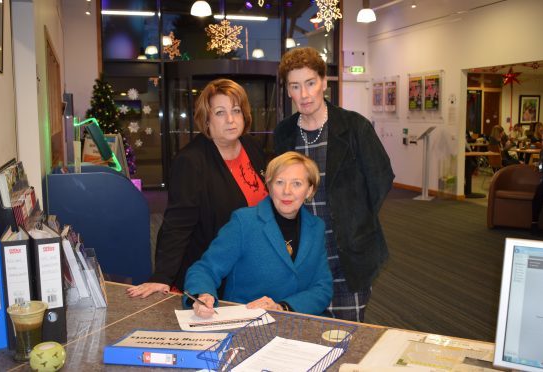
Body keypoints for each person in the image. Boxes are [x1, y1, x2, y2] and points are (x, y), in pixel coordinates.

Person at [274, 47, 394, 322]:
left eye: (310, 83)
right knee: (302, 332)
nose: (304, 95)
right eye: (295, 86)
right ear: (288, 91)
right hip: (301, 256)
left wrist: (354, 220)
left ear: (324, 82)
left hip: (345, 256)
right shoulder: (284, 133)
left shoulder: (354, 128)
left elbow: (381, 179)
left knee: (346, 336)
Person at [127, 79, 268, 298]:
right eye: (220, 112)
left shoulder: (252, 148)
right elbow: (177, 225)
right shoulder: (191, 162)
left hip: (250, 269)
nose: (230, 119)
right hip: (211, 277)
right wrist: (162, 277)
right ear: (207, 119)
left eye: (236, 110)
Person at [184, 152, 333, 317]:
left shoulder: (316, 227)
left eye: (297, 184)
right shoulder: (244, 222)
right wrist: (203, 294)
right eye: (279, 182)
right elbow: (205, 269)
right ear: (269, 186)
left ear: (309, 190)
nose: (287, 191)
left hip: (295, 322)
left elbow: (322, 287)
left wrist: (282, 307)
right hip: (245, 322)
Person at [531, 133, 543, 234]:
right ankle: (534, 223)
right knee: (538, 194)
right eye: (542, 140)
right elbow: (542, 169)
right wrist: (539, 165)